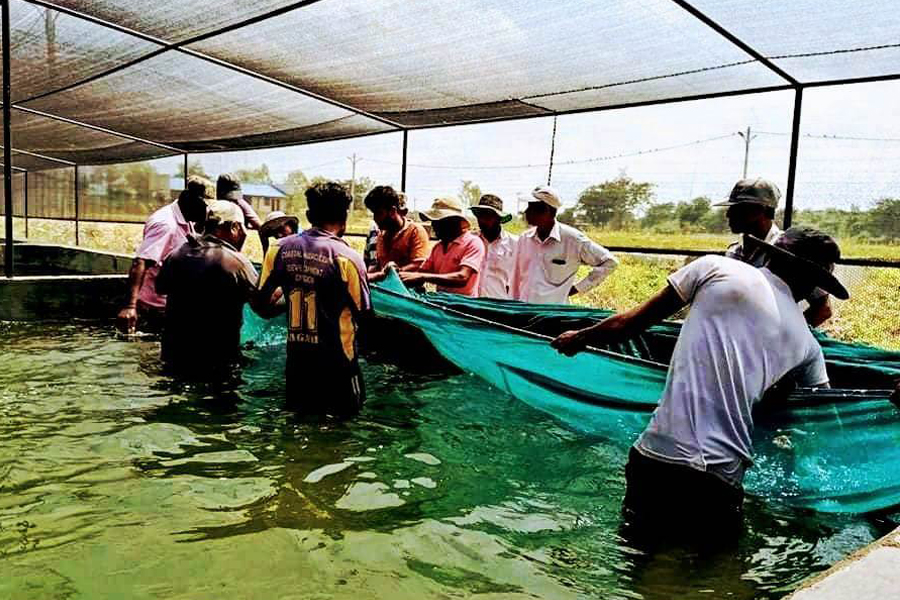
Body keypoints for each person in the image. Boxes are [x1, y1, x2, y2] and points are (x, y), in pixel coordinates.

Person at [550, 227, 849, 532]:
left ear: (772, 255)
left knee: (639, 559)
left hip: (656, 457)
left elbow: (630, 324)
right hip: (719, 475)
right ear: (815, 282)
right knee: (710, 572)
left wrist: (579, 338)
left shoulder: (715, 269)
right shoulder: (809, 347)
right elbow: (825, 419)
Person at [256, 182, 372, 417]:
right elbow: (366, 318)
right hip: (339, 367)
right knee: (342, 433)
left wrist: (290, 301)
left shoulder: (278, 250)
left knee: (297, 424)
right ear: (344, 218)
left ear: (308, 215)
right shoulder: (348, 258)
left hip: (298, 366)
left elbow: (259, 304)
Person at [156, 201, 271, 377]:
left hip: (174, 357)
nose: (244, 236)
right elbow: (265, 308)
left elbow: (160, 287)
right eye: (242, 230)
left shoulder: (178, 254)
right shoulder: (235, 262)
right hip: (217, 363)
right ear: (234, 227)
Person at [718, 177, 832, 327]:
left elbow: (823, 309)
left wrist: (783, 338)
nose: (728, 214)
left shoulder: (789, 252)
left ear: (761, 210)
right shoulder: (734, 253)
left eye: (738, 208)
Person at [116, 175, 213, 333]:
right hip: (153, 309)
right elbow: (141, 261)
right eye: (206, 208)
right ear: (191, 200)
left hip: (168, 304)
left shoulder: (185, 218)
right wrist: (130, 306)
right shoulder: (166, 225)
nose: (208, 213)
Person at [510, 185, 618, 304]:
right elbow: (516, 275)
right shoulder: (524, 239)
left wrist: (577, 288)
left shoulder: (573, 240)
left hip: (554, 313)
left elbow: (610, 262)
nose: (526, 212)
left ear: (548, 211)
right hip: (523, 309)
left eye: (532, 208)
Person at [398, 197, 485, 296]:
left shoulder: (473, 243)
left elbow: (462, 277)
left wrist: (421, 277)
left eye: (437, 222)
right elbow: (422, 271)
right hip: (442, 302)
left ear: (452, 221)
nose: (433, 226)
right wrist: (400, 273)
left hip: (463, 305)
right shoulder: (438, 247)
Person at [364, 185, 429, 282]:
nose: (375, 218)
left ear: (392, 211)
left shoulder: (415, 231)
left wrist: (391, 273)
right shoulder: (381, 235)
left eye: (378, 213)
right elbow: (379, 266)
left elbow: (419, 265)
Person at [470, 194, 518, 299]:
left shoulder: (515, 244)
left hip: (499, 305)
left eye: (487, 216)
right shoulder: (470, 241)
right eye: (480, 215)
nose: (482, 220)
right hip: (471, 303)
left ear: (498, 218)